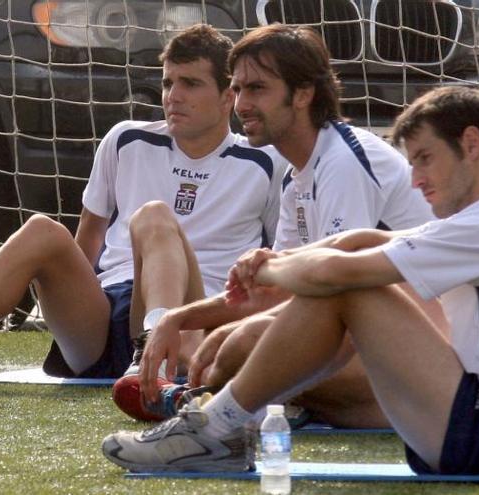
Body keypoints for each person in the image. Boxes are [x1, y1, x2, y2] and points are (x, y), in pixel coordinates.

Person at [102, 85, 479, 477]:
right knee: (247, 336)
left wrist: (267, 267)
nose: (415, 180)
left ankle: (217, 429)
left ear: (471, 144)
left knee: (339, 294)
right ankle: (225, 423)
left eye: (425, 159)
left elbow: (334, 274)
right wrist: (203, 306)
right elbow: (362, 243)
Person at [0, 24, 285, 394]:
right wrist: (63, 301)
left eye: (191, 84)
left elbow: (276, 262)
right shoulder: (126, 140)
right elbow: (86, 242)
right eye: (167, 82)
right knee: (41, 229)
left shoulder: (266, 162)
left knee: (155, 217)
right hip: (103, 319)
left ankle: (154, 358)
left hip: (193, 321)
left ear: (229, 95)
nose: (173, 96)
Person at [114, 24, 441, 428]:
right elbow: (272, 290)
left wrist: (222, 330)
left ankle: (208, 412)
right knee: (236, 344)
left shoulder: (342, 163)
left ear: (302, 94)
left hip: (426, 348)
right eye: (238, 90)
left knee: (244, 344)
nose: (241, 104)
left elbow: (331, 293)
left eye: (257, 89)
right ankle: (232, 405)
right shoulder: (294, 176)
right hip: (376, 346)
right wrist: (177, 319)